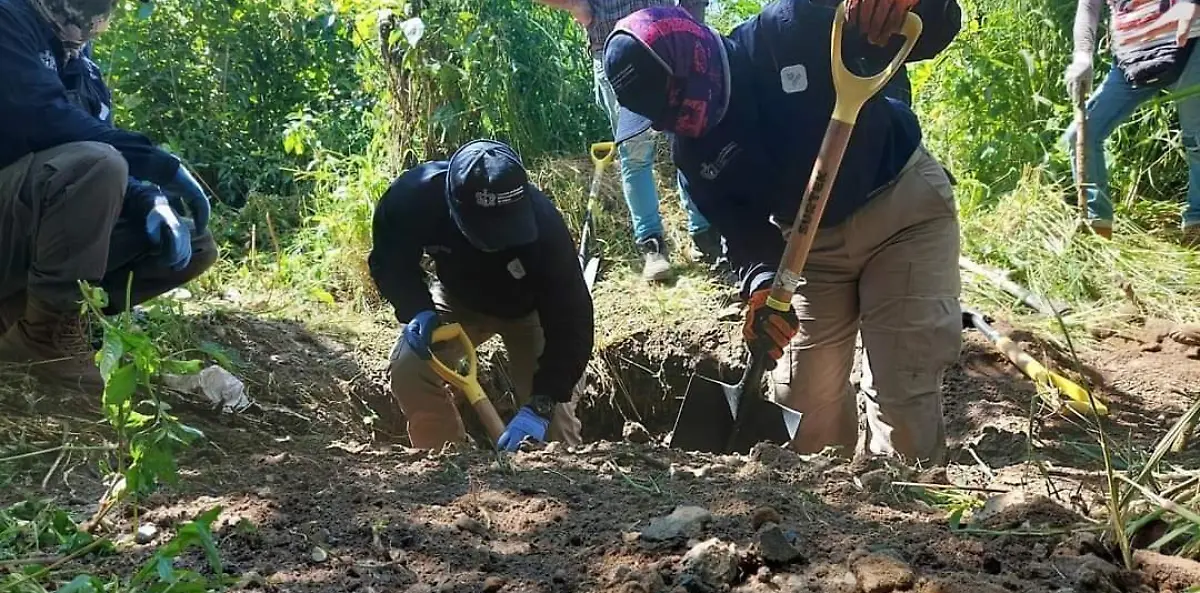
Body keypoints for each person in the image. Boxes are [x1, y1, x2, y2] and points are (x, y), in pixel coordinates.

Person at [602, 0, 963, 465]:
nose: (673, 123)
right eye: (658, 117)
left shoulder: (793, 28)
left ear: (699, 57)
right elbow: (742, 232)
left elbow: (936, 27)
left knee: (902, 399)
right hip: (812, 249)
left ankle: (910, 516)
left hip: (901, 213)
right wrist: (761, 283)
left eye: (673, 103)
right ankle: (839, 528)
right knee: (803, 412)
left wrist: (904, 6)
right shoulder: (693, 153)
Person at [0, 0, 214, 388]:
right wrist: (155, 162)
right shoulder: (9, 19)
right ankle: (45, 341)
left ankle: (33, 321)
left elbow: (97, 143)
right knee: (98, 164)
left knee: (194, 245)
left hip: (26, 225)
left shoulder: (81, 61)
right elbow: (40, 119)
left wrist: (146, 197)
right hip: (8, 208)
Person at [369, 139, 594, 451]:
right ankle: (446, 466)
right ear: (453, 206)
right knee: (410, 369)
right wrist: (417, 308)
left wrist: (541, 403)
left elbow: (573, 322)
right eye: (488, 231)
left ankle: (564, 484)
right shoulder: (412, 200)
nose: (498, 241)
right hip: (458, 302)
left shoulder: (545, 228)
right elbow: (389, 262)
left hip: (532, 312)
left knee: (553, 426)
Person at [536, 0, 723, 281]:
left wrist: (690, 11)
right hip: (618, 49)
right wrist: (578, 7)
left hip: (669, 42)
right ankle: (651, 243)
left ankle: (705, 233)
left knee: (689, 137)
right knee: (635, 152)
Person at [1064, 0, 1200, 239]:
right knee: (1082, 134)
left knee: (1197, 140)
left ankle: (1196, 224)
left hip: (1190, 40)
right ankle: (1098, 230)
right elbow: (1088, 7)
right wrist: (1083, 56)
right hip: (1131, 57)